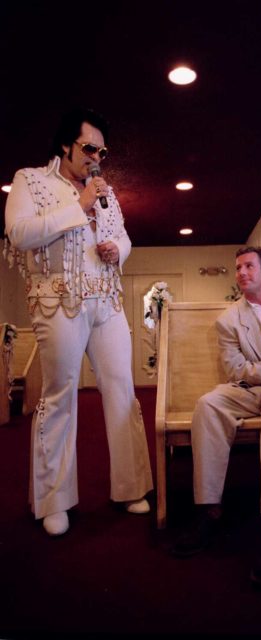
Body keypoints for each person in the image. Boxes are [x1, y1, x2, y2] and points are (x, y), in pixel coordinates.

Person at [4, 107, 153, 536]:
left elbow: (123, 235)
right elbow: (19, 233)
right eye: (89, 148)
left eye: (101, 151)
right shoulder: (30, 180)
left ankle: (130, 488)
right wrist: (77, 205)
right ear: (66, 144)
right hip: (58, 301)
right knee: (60, 393)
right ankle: (54, 499)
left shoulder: (105, 191)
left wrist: (116, 250)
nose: (96, 158)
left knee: (122, 387)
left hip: (106, 302)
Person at [172, 246, 261, 587]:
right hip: (248, 390)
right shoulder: (228, 319)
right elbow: (234, 368)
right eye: (238, 267)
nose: (241, 272)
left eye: (248, 266)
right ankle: (209, 508)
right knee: (209, 404)